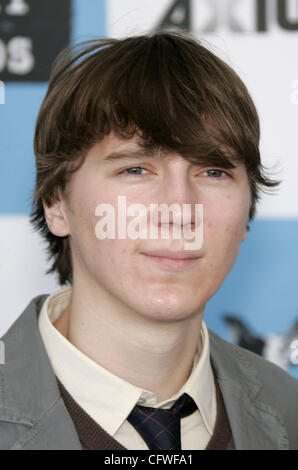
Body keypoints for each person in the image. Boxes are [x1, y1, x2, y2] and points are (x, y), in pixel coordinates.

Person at [1, 32, 297, 451]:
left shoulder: (290, 413)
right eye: (136, 170)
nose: (180, 210)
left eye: (213, 172)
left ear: (247, 209)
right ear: (57, 203)